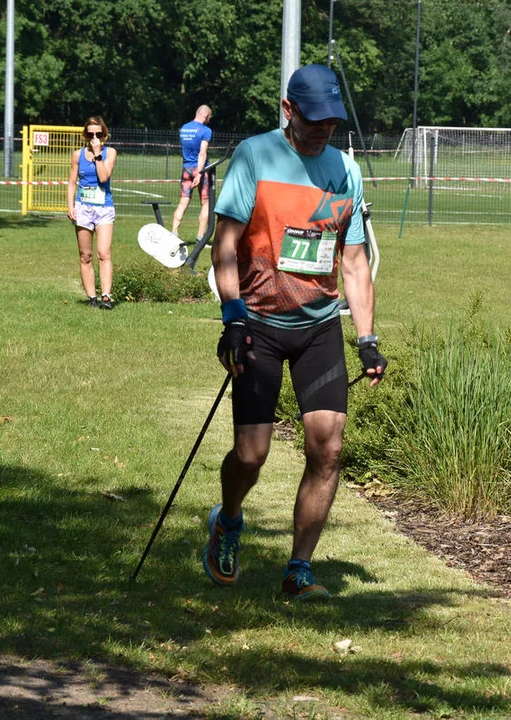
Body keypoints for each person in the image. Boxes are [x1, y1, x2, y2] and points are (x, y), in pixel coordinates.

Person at [203, 65, 386, 601]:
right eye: (313, 120)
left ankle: (299, 569)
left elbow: (352, 261)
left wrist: (368, 338)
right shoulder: (256, 156)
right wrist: (232, 317)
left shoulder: (344, 170)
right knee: (251, 454)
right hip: (257, 322)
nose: (323, 130)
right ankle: (229, 519)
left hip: (318, 326)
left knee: (326, 448)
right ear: (289, 110)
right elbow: (224, 244)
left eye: (332, 122)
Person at [67, 116, 118, 309]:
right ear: (85, 135)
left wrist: (97, 155)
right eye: (90, 134)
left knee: (103, 253)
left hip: (104, 207)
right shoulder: (77, 155)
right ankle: (92, 298)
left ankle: (106, 296)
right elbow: (72, 182)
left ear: (104, 134)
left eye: (98, 133)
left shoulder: (110, 152)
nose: (94, 137)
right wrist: (70, 206)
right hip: (83, 208)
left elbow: (104, 177)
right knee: (85, 255)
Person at [171, 105, 213, 256]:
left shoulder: (184, 128)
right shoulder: (206, 131)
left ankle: (174, 233)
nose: (209, 119)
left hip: (186, 168)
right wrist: (200, 174)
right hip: (200, 169)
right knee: (206, 203)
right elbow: (202, 153)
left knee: (183, 202)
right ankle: (201, 239)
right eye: (209, 117)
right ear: (205, 115)